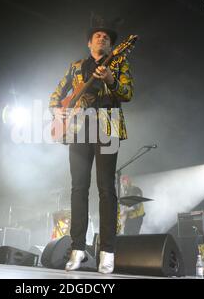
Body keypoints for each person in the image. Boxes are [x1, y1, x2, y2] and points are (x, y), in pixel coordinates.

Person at [49, 15, 134, 274]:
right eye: (98, 35)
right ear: (89, 43)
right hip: (77, 128)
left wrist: (109, 79)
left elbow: (128, 93)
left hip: (107, 126)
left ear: (112, 47)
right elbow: (57, 93)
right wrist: (55, 111)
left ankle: (107, 251)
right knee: (78, 188)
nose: (103, 37)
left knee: (106, 188)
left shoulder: (119, 63)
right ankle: (77, 248)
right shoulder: (76, 66)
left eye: (107, 36)